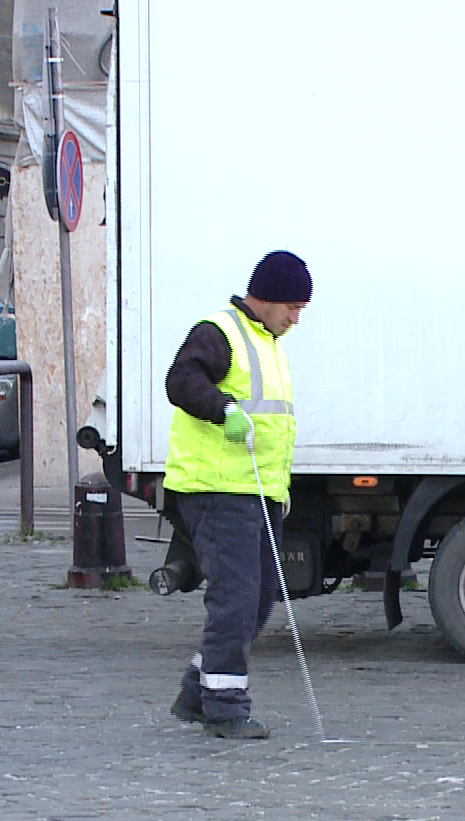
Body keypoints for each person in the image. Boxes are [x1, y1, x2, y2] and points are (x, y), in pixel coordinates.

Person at [165, 251, 310, 739]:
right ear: (266, 298)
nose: (296, 318)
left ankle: (196, 692)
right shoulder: (220, 331)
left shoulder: (268, 341)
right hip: (217, 487)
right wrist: (221, 408)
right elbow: (181, 380)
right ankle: (225, 707)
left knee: (260, 596)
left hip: (258, 491)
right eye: (292, 307)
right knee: (236, 599)